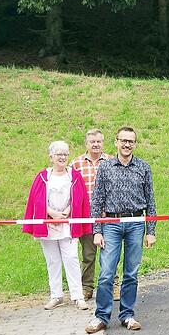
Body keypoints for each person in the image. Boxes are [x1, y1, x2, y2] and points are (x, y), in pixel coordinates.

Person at [85, 126, 157, 334]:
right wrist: (96, 230)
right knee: (106, 273)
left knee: (131, 273)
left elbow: (151, 202)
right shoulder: (106, 167)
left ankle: (127, 315)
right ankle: (101, 317)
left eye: (131, 141)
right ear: (116, 142)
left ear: (135, 144)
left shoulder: (143, 167)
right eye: (123, 140)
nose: (127, 145)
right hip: (111, 225)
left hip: (135, 224)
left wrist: (150, 230)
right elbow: (97, 202)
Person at [22, 141, 91, 311]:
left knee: (72, 259)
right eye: (58, 154)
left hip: (68, 223)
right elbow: (35, 200)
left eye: (65, 154)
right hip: (49, 223)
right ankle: (56, 295)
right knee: (52, 261)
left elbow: (81, 198)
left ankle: (77, 296)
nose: (62, 157)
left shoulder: (74, 176)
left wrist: (68, 211)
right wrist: (51, 213)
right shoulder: (42, 176)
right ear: (51, 156)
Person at [69, 129, 120, 301]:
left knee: (110, 251)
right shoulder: (76, 164)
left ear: (103, 143)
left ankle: (113, 285)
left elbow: (118, 188)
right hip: (86, 216)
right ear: (86, 143)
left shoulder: (112, 161)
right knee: (88, 254)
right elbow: (71, 190)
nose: (96, 144)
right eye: (92, 142)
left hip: (108, 215)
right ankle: (87, 287)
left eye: (99, 141)